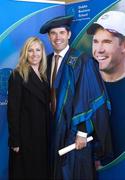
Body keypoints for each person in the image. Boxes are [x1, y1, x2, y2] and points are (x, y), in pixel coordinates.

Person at [40, 15, 112, 180]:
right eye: (53, 33)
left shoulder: (82, 60)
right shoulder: (48, 61)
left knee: (76, 172)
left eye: (61, 33)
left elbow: (89, 97)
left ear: (69, 34)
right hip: (54, 129)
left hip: (74, 131)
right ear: (49, 36)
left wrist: (83, 131)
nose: (58, 38)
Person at [7, 37, 50, 179]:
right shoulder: (17, 75)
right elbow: (13, 111)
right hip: (26, 137)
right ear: (25, 53)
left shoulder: (44, 75)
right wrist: (15, 141)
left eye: (38, 50)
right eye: (30, 50)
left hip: (43, 135)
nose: (34, 54)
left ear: (42, 52)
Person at [87, 10, 125, 160]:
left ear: (123, 46)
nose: (99, 50)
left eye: (107, 42)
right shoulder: (84, 82)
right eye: (95, 41)